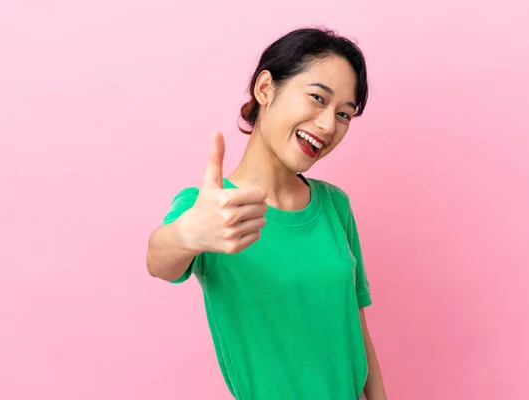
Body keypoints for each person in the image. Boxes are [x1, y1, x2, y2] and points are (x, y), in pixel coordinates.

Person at [146, 27, 387, 400]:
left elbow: (358, 332)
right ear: (265, 89)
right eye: (316, 98)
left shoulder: (335, 206)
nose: (328, 125)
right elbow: (160, 261)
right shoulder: (214, 209)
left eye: (343, 114)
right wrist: (186, 235)